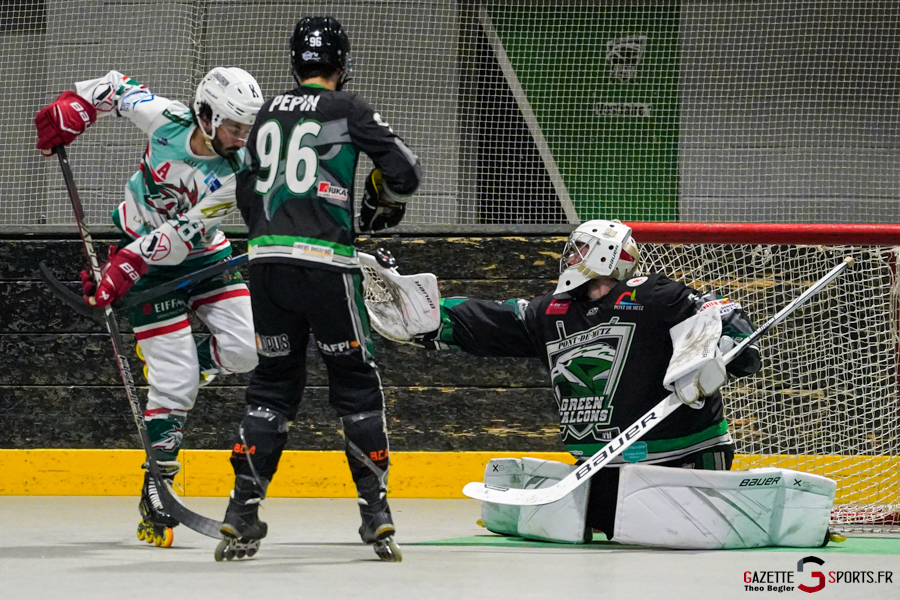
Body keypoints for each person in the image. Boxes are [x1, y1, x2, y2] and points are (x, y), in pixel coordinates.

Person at [406, 219, 766, 544]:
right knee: (587, 532)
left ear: (608, 254)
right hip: (601, 465)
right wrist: (434, 318)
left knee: (664, 539)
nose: (571, 256)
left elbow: (715, 310)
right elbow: (496, 320)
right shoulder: (552, 310)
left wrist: (725, 340)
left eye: (580, 248)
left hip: (682, 459)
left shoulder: (653, 295)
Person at [215, 16, 421, 563]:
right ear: (342, 64)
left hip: (266, 267)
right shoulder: (348, 108)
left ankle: (241, 511)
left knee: (272, 384)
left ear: (294, 63)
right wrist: (381, 194)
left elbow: (245, 191)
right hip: (326, 266)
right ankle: (375, 513)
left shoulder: (260, 117)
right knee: (354, 383)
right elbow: (407, 170)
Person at [34, 67, 264, 548]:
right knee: (174, 383)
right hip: (145, 254)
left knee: (245, 351)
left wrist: (122, 269)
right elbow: (117, 88)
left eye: (247, 128)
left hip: (202, 253)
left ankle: (193, 369)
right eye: (235, 127)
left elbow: (184, 234)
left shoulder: (236, 173)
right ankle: (156, 486)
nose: (243, 137)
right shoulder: (167, 120)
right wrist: (78, 105)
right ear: (205, 115)